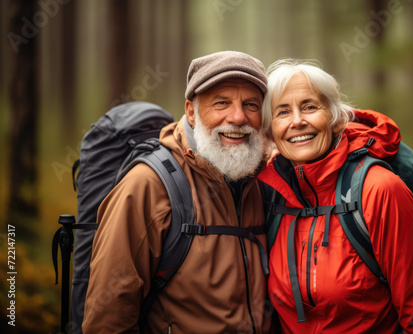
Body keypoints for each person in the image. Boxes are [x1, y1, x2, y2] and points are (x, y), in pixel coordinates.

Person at [82, 51, 273, 333]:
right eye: (221, 103)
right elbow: (107, 319)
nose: (237, 117)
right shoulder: (148, 186)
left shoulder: (264, 180)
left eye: (251, 105)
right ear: (192, 112)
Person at [257, 58, 413, 333]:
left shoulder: (380, 189)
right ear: (271, 131)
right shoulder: (271, 196)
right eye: (282, 112)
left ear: (336, 119)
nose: (297, 121)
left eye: (310, 107)